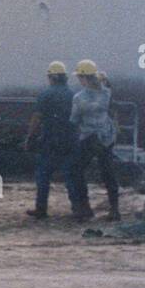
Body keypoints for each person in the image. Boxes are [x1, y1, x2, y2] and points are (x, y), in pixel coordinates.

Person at [24, 60, 90, 220]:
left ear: (51, 77)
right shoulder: (74, 94)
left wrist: (30, 137)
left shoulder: (45, 94)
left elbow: (36, 117)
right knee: (71, 175)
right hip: (71, 140)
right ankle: (79, 209)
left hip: (50, 140)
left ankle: (41, 209)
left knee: (43, 175)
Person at [71, 59, 120, 222]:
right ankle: (114, 209)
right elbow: (109, 90)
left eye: (79, 76)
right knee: (108, 173)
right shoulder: (106, 92)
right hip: (106, 137)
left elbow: (74, 119)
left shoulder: (79, 97)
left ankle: (84, 208)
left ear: (83, 78)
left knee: (76, 170)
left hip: (89, 138)